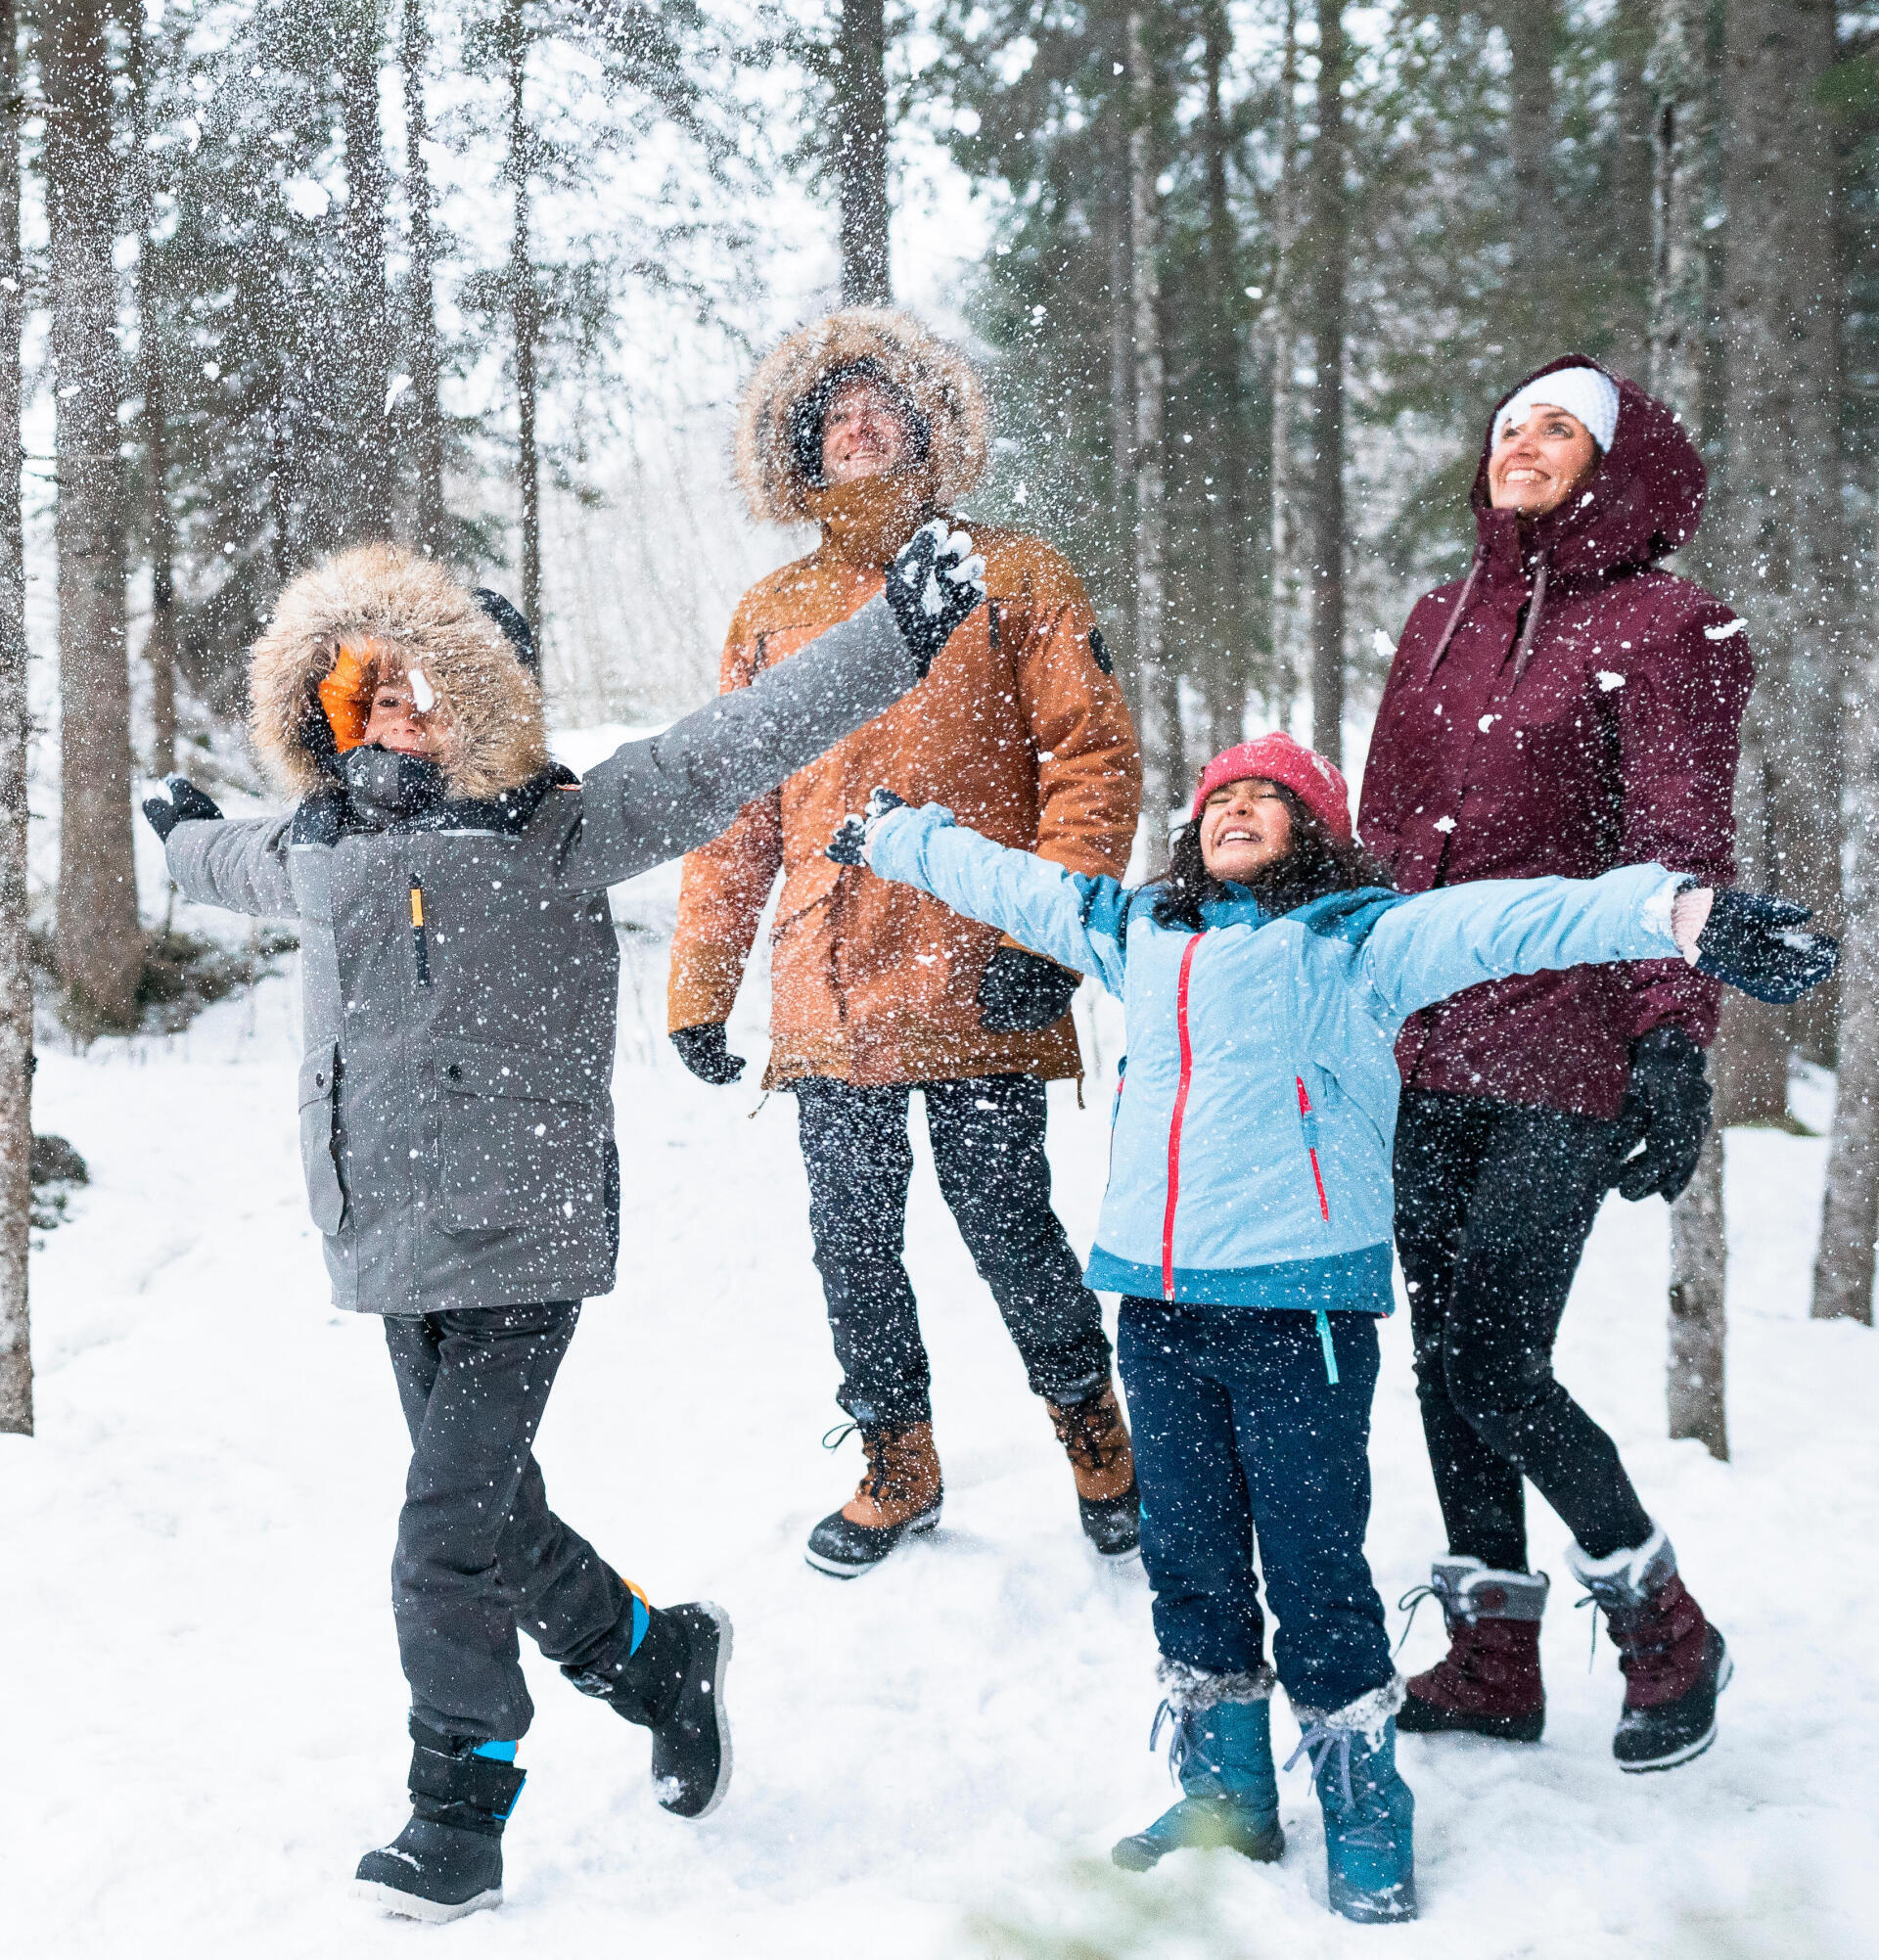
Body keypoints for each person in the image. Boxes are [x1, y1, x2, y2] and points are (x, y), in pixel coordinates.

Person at [825, 734, 1831, 1921]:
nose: (1237, 806)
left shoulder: (1363, 938)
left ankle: (1363, 1798)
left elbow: (1520, 920)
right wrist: (895, 832)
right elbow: (1012, 881)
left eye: (1269, 796)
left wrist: (1683, 913)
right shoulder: (1140, 929)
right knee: (1189, 1560)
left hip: (1299, 1309)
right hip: (1159, 1305)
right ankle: (1227, 1791)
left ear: (1314, 830)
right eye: (1220, 796)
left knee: (1315, 1567)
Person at [139, 531, 979, 1921]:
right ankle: (656, 1659)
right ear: (344, 702)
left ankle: (457, 1807)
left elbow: (738, 739)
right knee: (489, 1516)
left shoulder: (563, 824)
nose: (407, 712)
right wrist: (176, 836)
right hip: (387, 1232)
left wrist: (896, 631)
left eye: (437, 688)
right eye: (382, 689)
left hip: (523, 1228)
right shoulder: (326, 837)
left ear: (494, 698)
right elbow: (232, 858)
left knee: (439, 1535)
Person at [666, 308, 1145, 1576]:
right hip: (832, 984)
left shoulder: (1016, 572)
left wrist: (1057, 922)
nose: (859, 419)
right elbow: (735, 802)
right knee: (854, 1237)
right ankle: (898, 1456)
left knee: (1008, 1220)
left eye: (881, 402)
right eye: (834, 411)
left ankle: (1096, 1432)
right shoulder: (774, 609)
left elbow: (1089, 759)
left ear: (925, 426)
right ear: (804, 449)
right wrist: (700, 983)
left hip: (988, 960)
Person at [1358, 358, 1758, 1773]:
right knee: (1439, 1351)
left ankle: (1663, 1621)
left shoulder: (1668, 626)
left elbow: (1679, 839)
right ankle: (1491, 1648)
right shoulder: (1438, 618)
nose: (1525, 443)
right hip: (1422, 1034)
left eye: (1561, 429)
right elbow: (1388, 830)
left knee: (1490, 1351)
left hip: (1569, 1043)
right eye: (1513, 422)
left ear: (1613, 464)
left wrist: (1672, 1035)